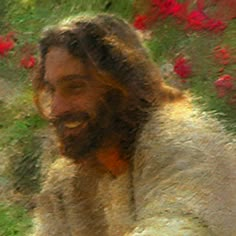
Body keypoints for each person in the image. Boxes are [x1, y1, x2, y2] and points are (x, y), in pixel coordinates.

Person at [31, 13, 236, 236]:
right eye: (52, 90)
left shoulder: (183, 141)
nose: (57, 108)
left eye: (75, 87)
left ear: (123, 85)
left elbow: (177, 228)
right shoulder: (67, 179)